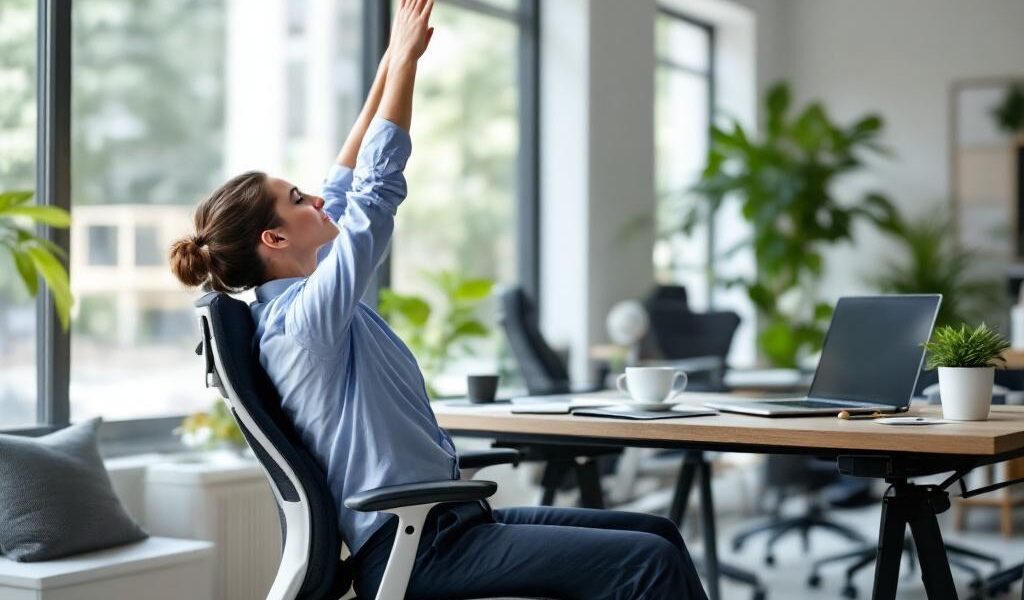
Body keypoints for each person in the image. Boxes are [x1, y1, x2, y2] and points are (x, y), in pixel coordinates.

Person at [169, 1, 706, 598]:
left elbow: (343, 186)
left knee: (658, 533)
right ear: (274, 239)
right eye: (298, 199)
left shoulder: (304, 305)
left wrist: (389, 64)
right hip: (419, 549)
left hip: (450, 526)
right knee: (647, 563)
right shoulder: (301, 323)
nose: (316, 199)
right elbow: (373, 196)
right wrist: (405, 67)